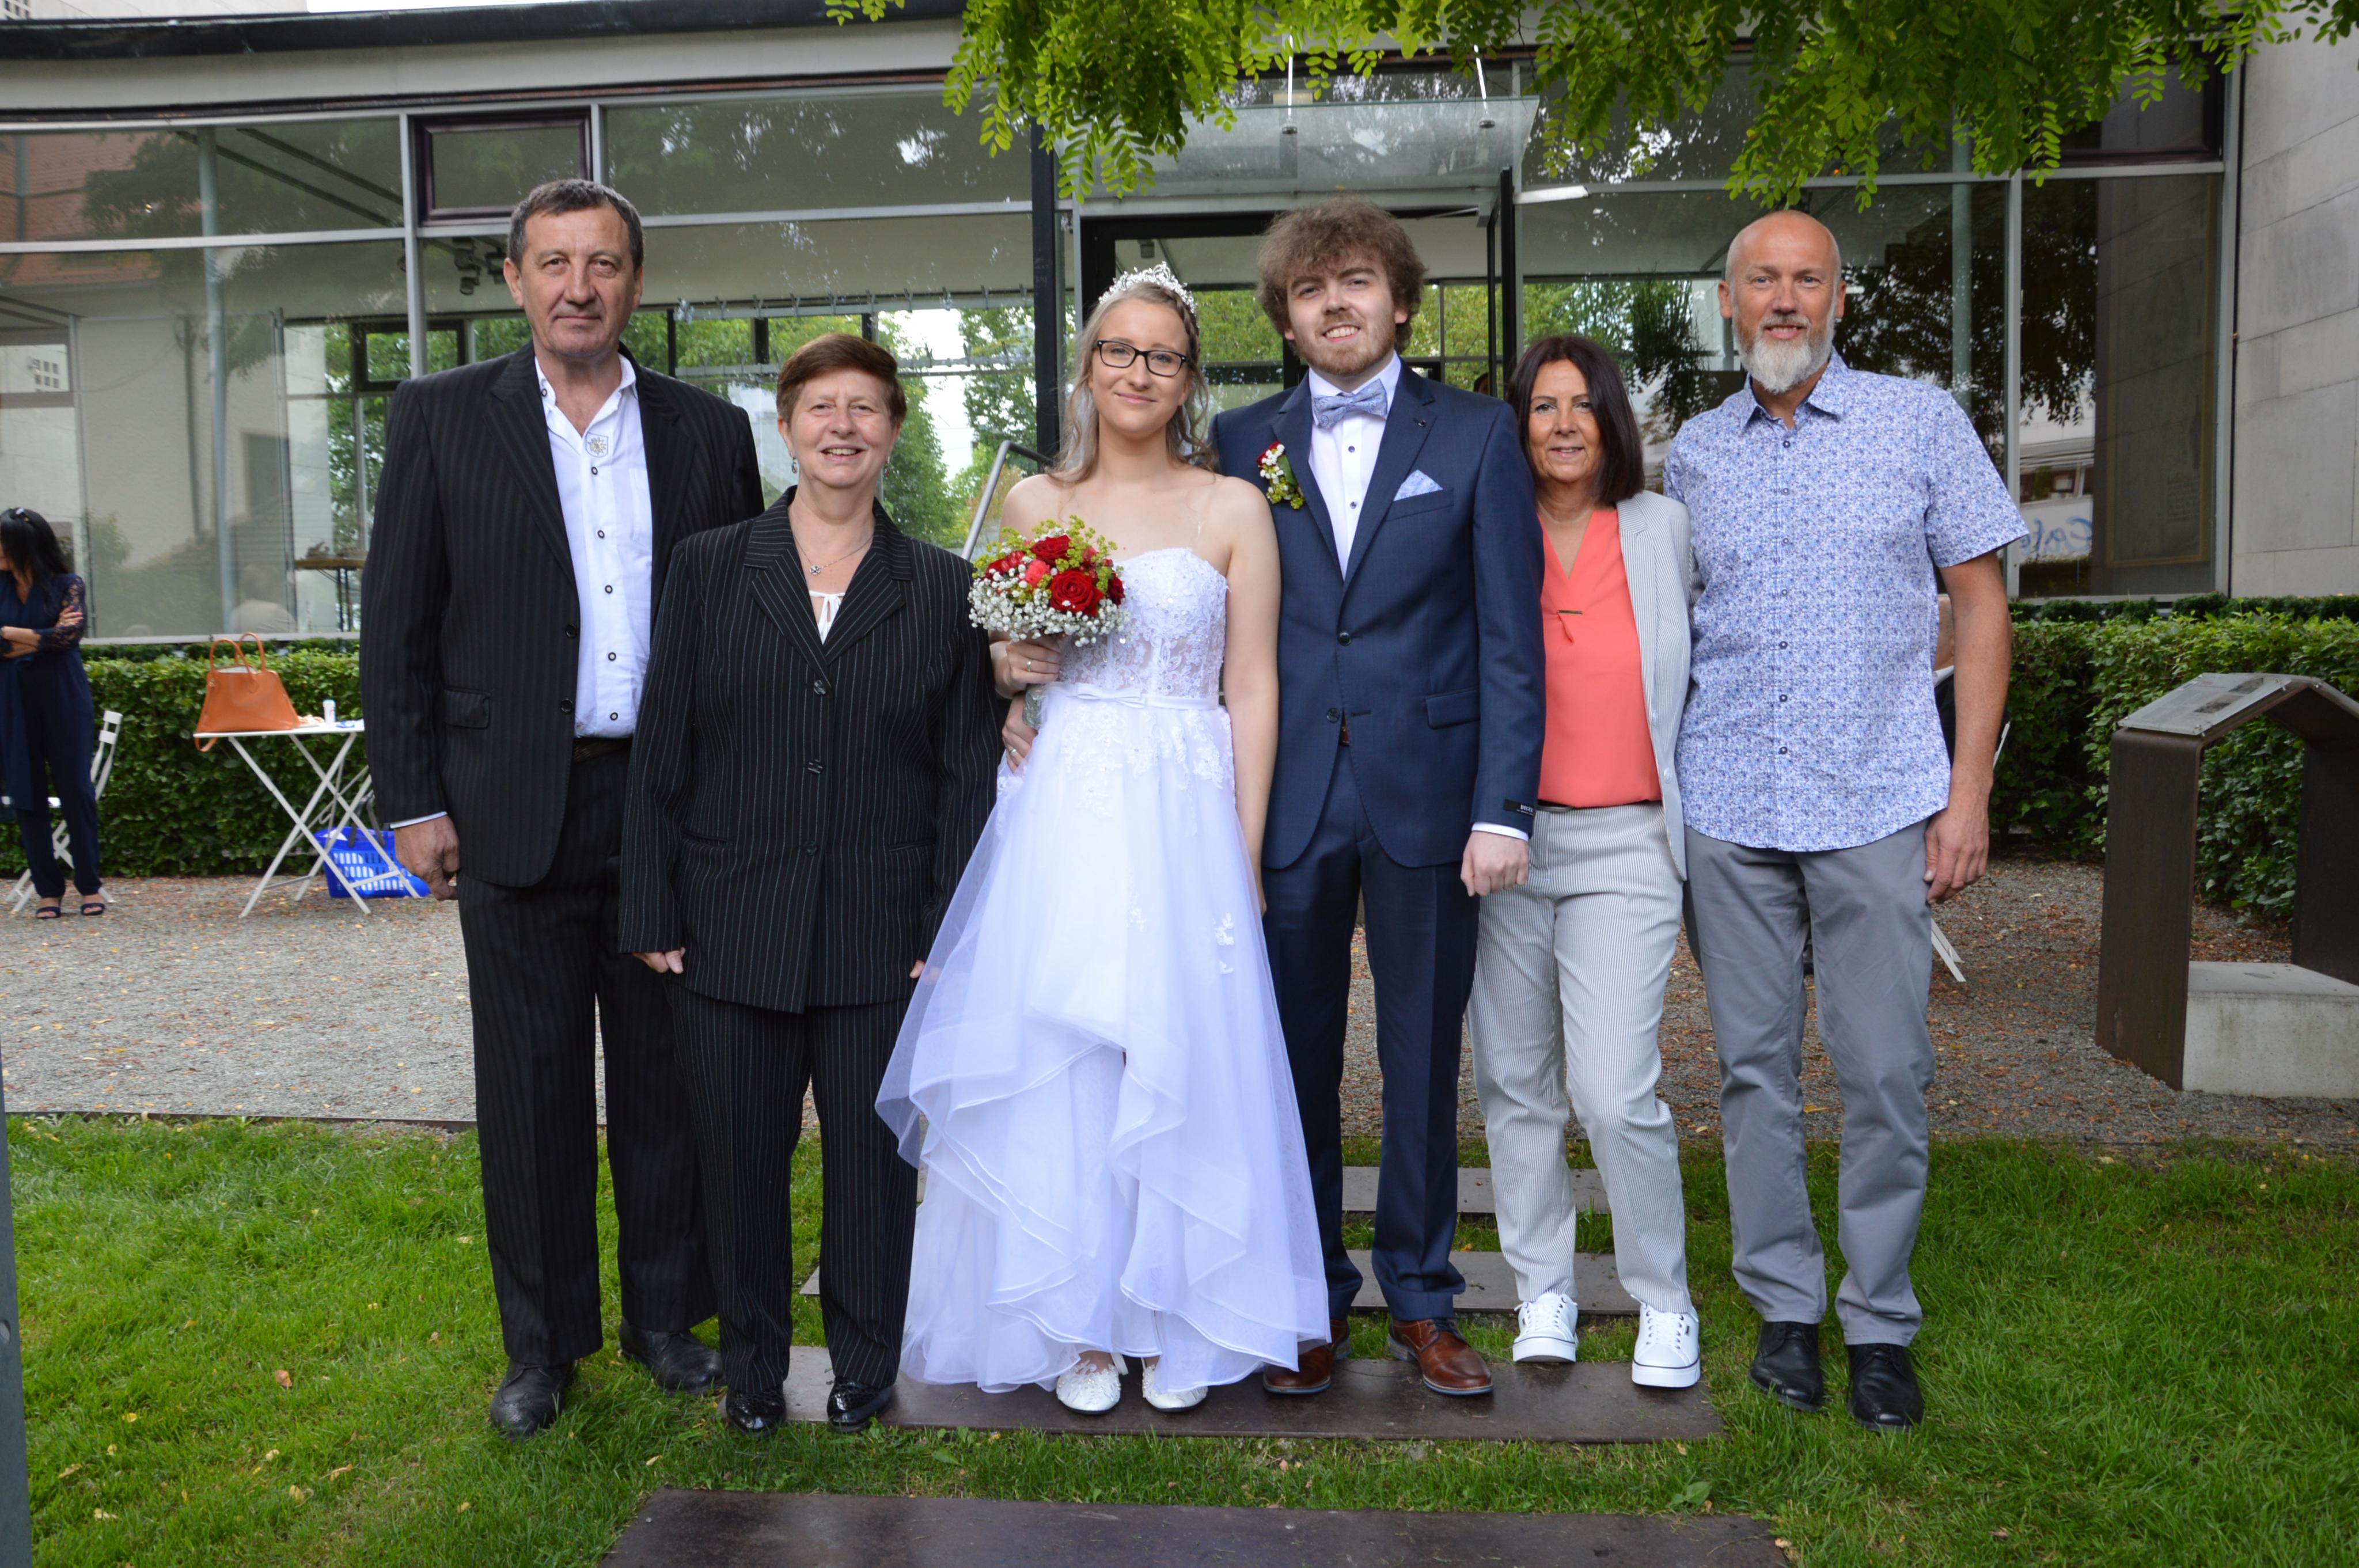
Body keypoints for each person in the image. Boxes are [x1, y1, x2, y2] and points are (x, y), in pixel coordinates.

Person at [881, 264, 1328, 1414]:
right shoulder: (1035, 501)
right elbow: (1006, 654)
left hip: (1185, 800)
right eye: (1119, 350)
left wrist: (1243, 846)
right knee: (1070, 1046)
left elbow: (1253, 684)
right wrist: (1008, 670)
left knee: (1179, 1046)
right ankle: (1076, 1320)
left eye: (1163, 356)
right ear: (1087, 367)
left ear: (1188, 379)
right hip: (1068, 792)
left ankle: (1176, 1313)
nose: (1139, 371)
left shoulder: (1233, 508)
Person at [360, 178, 764, 1440]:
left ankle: (666, 1319)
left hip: (667, 804)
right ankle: (542, 1347)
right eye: (553, 263)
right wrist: (412, 799)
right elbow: (397, 625)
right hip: (509, 804)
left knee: (666, 1075)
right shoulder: (440, 417)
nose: (578, 287)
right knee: (529, 1084)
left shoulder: (708, 430)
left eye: (601, 263)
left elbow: (743, 628)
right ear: (516, 279)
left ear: (635, 281)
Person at [1666, 210, 2022, 1431]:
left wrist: (1967, 793)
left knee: (1884, 1069)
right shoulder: (1691, 455)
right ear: (1727, 301)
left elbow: (1980, 606)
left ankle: (1877, 1320)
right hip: (1728, 803)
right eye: (1761, 279)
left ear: (1837, 299)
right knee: (1752, 1072)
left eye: (1806, 278)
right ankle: (1785, 1307)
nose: (1783, 298)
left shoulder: (1918, 423)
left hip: (1876, 799)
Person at [619, 333, 1002, 1435]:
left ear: (893, 432)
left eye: (866, 408)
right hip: (729, 922)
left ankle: (864, 1365)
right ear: (786, 429)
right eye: (821, 407)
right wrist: (651, 904)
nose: (843, 427)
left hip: (883, 934)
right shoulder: (708, 567)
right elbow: (663, 747)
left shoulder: (942, 585)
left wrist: (946, 927)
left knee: (874, 1168)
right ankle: (752, 1371)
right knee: (739, 1160)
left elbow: (964, 772)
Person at [1213, 200, 1546, 1398]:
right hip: (1287, 792)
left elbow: (1510, 635)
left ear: (1399, 301)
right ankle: (1305, 1298)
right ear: (1285, 318)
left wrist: (1502, 806)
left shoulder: (1478, 433)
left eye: (1355, 280)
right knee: (1289, 1057)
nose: (1334, 303)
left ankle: (1420, 1296)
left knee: (1419, 1054)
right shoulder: (1238, 439)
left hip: (1430, 794)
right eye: (1310, 289)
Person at [1465, 336, 1700, 1387]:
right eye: (1542, 406)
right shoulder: (1489, 525)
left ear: (1612, 419)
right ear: (1515, 423)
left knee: (1613, 1089)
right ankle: (1543, 1289)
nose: (1564, 425)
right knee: (1516, 1083)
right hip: (1506, 838)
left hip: (1628, 841)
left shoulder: (1661, 528)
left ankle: (1664, 1298)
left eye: (1583, 405)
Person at [0, 506, 101, 919]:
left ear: (26, 546)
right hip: (12, 701)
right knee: (27, 794)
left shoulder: (67, 585)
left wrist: (8, 634)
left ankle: (90, 885)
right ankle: (48, 891)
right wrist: (44, 636)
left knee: (76, 789)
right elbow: (55, 638)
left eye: (3, 543)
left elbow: (69, 637)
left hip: (63, 698)